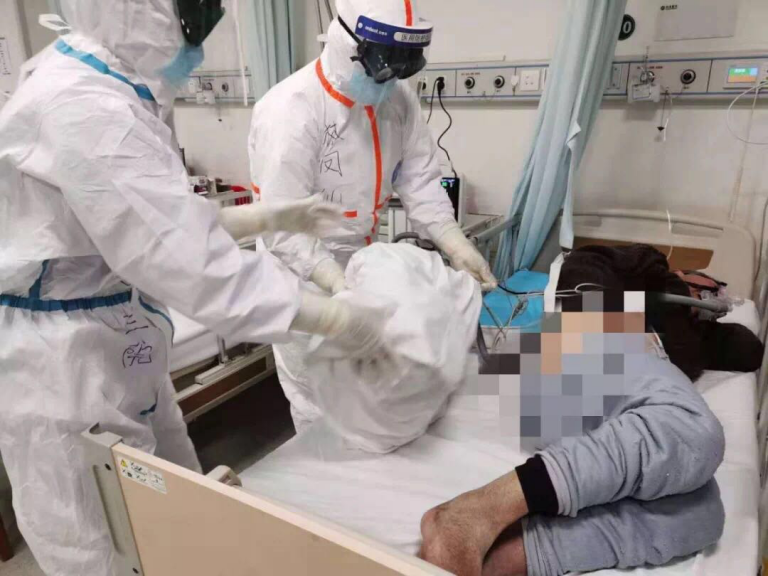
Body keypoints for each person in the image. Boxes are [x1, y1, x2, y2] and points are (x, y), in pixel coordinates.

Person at [0, 1, 386, 574]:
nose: (201, 42)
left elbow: (153, 224)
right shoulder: (82, 105)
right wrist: (336, 318)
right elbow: (190, 264)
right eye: (196, 19)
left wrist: (270, 216)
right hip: (62, 366)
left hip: (121, 330)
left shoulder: (110, 83)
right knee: (99, 546)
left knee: (174, 505)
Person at [248, 0, 498, 432]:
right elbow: (283, 227)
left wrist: (454, 242)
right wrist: (336, 284)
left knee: (366, 389)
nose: (392, 80)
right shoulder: (291, 110)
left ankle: (370, 451)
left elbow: (420, 181)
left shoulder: (397, 100)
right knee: (317, 395)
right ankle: (321, 466)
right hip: (301, 277)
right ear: (348, 46)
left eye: (404, 66)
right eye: (386, 65)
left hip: (357, 261)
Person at [418, 301, 726, 576]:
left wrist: (703, 305)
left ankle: (501, 556)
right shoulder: (648, 284)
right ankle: (478, 512)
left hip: (615, 382)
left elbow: (743, 347)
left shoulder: (692, 323)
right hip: (589, 359)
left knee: (705, 516)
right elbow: (586, 278)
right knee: (695, 434)